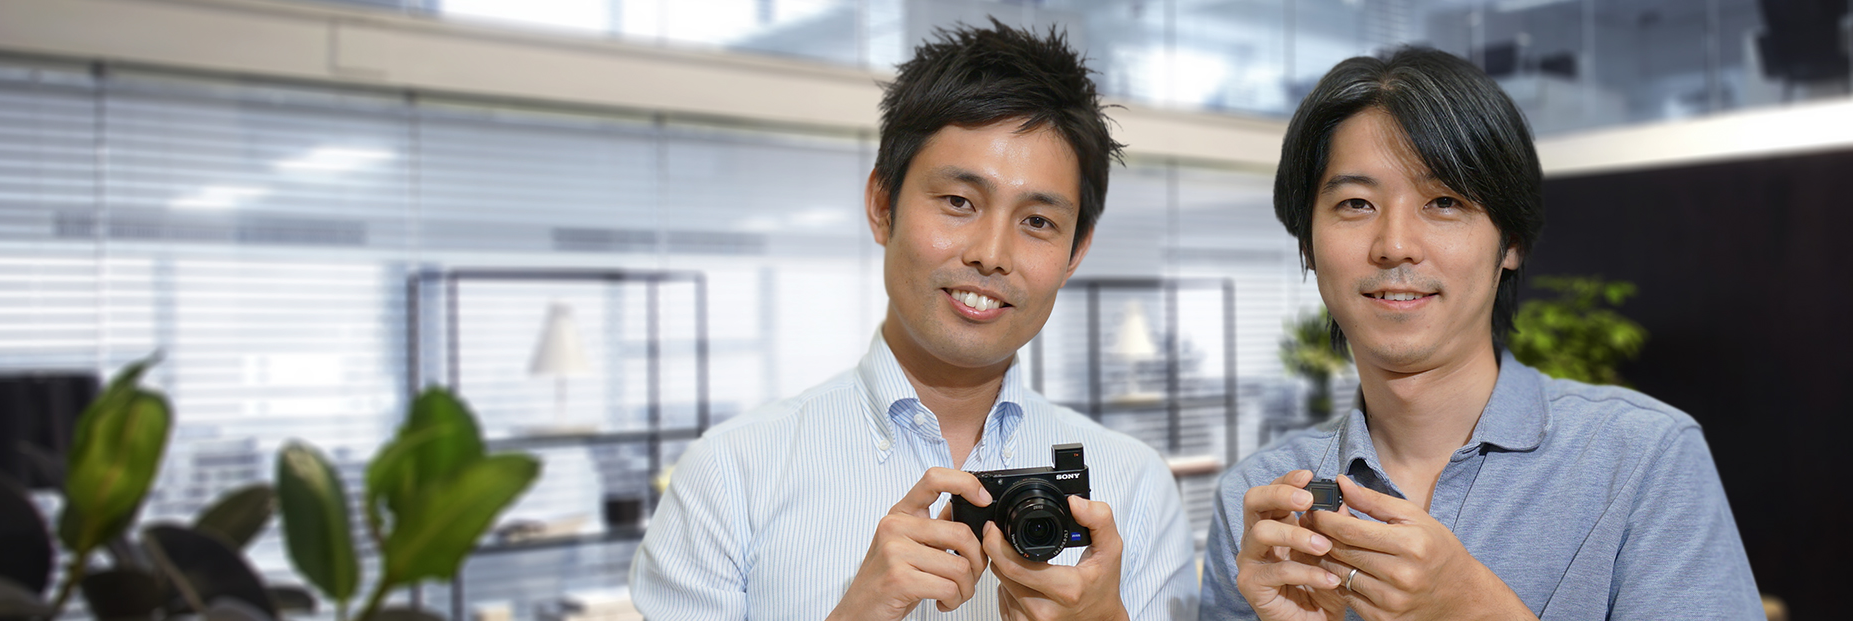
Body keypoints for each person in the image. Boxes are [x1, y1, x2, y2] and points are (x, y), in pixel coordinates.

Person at [631, 21, 1196, 621]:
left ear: (1074, 253)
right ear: (883, 206)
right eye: (959, 202)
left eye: (1038, 222)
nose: (991, 254)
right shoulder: (730, 476)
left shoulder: (1134, 487)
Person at [1198, 47, 1762, 620]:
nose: (1395, 244)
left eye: (1443, 202)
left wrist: (1473, 606)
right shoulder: (1262, 505)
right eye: (1356, 203)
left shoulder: (1642, 457)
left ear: (1510, 242)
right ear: (1307, 246)